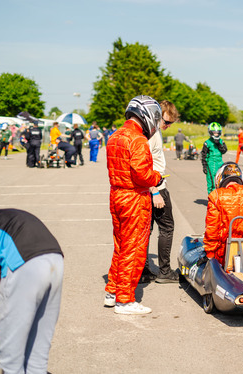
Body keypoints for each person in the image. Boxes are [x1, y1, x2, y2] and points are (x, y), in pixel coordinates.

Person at [104, 95, 164, 315]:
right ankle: (125, 300)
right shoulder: (137, 139)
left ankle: (112, 291)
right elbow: (142, 174)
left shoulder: (114, 136)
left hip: (116, 195)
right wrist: (156, 177)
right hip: (133, 199)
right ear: (147, 115)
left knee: (120, 246)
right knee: (134, 249)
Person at [0, 208, 64, 373]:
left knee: (7, 364)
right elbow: (9, 263)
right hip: (54, 260)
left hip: (25, 264)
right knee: (36, 360)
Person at [140, 100, 181, 284]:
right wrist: (155, 190)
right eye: (166, 121)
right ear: (158, 116)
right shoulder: (152, 133)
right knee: (166, 227)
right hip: (155, 187)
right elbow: (145, 164)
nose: (168, 125)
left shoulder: (151, 131)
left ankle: (143, 270)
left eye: (171, 123)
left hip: (150, 186)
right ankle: (164, 271)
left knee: (146, 230)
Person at [200, 162, 243, 267]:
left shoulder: (216, 196)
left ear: (220, 178)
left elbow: (212, 229)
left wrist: (209, 255)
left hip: (221, 255)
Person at [201, 122, 227, 195]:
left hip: (220, 163)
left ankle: (219, 199)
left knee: (221, 182)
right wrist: (204, 166)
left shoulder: (221, 141)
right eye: (214, 133)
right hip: (211, 164)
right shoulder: (207, 143)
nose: (216, 134)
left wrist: (219, 144)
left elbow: (224, 151)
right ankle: (212, 201)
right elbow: (203, 155)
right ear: (210, 132)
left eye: (217, 133)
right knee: (212, 183)